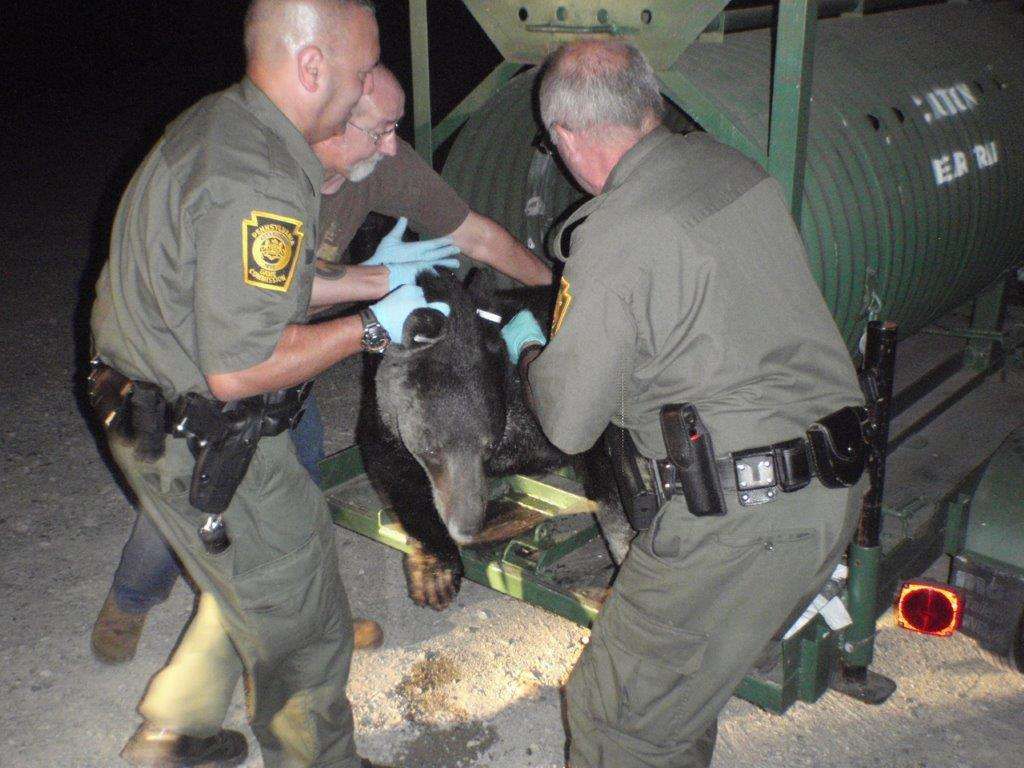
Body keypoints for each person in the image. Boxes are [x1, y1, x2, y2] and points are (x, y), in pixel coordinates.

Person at [90, 63, 552, 667]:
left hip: (275, 357)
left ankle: (308, 621)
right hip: (195, 364)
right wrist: (372, 312)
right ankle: (131, 602)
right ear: (326, 120)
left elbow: (476, 235)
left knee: (292, 498)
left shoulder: (372, 159)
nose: (393, 145)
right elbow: (245, 325)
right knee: (205, 490)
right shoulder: (263, 183)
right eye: (381, 128)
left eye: (394, 127)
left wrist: (556, 297)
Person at [88, 1, 446, 765]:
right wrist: (379, 328)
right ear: (313, 67)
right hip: (204, 433)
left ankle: (171, 735)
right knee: (306, 619)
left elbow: (252, 291)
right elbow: (240, 364)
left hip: (142, 407)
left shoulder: (226, 125)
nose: (367, 88)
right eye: (360, 74)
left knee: (249, 580)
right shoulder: (261, 177)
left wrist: (377, 280)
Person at [500, 41, 866, 768]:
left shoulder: (615, 230)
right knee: (672, 703)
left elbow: (570, 423)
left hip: (735, 523)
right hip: (830, 484)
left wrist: (532, 352)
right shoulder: (733, 170)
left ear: (567, 136)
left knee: (615, 716)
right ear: (649, 103)